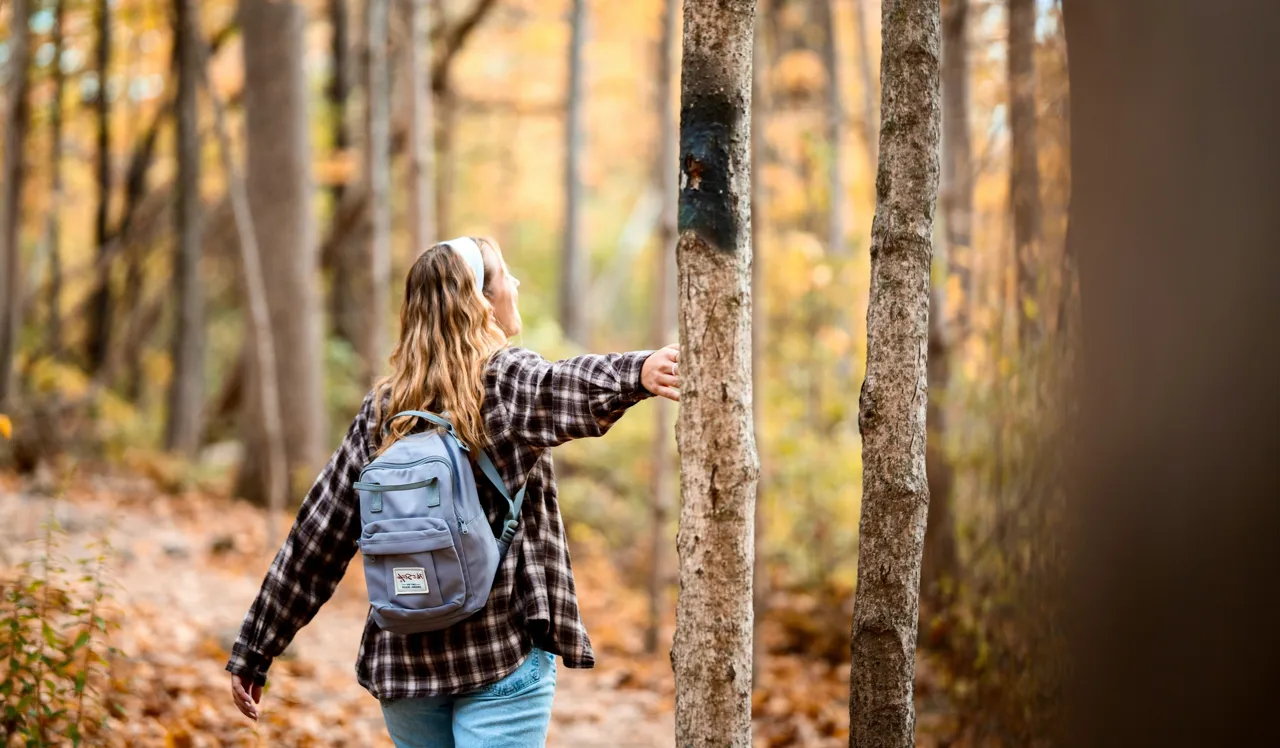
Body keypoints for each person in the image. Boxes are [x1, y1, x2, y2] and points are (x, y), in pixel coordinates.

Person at [226, 236, 680, 746]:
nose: (516, 285)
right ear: (482, 301)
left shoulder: (382, 412)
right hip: (498, 657)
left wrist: (255, 649)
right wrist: (636, 373)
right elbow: (560, 385)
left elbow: (316, 538)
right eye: (505, 275)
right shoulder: (504, 381)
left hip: (405, 665)